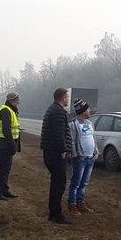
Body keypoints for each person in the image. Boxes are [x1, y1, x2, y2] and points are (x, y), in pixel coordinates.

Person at [40, 87, 72, 224]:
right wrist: (63, 150)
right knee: (59, 184)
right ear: (62, 97)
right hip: (56, 153)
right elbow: (59, 134)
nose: (68, 99)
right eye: (67, 97)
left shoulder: (51, 109)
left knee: (56, 183)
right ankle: (56, 214)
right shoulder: (58, 112)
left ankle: (54, 212)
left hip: (50, 151)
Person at [67, 98, 98, 215]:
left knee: (84, 183)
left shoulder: (90, 124)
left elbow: (93, 138)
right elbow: (72, 142)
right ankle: (72, 204)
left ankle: (80, 202)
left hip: (90, 158)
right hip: (80, 159)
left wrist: (96, 152)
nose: (90, 111)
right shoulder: (73, 125)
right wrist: (75, 155)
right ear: (83, 111)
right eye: (88, 109)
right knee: (76, 183)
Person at [0, 92, 21, 200]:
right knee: (4, 169)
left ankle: (4, 190)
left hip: (5, 144)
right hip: (4, 145)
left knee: (6, 168)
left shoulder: (10, 110)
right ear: (12, 100)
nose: (19, 101)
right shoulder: (6, 110)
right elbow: (6, 130)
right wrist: (12, 145)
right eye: (17, 99)